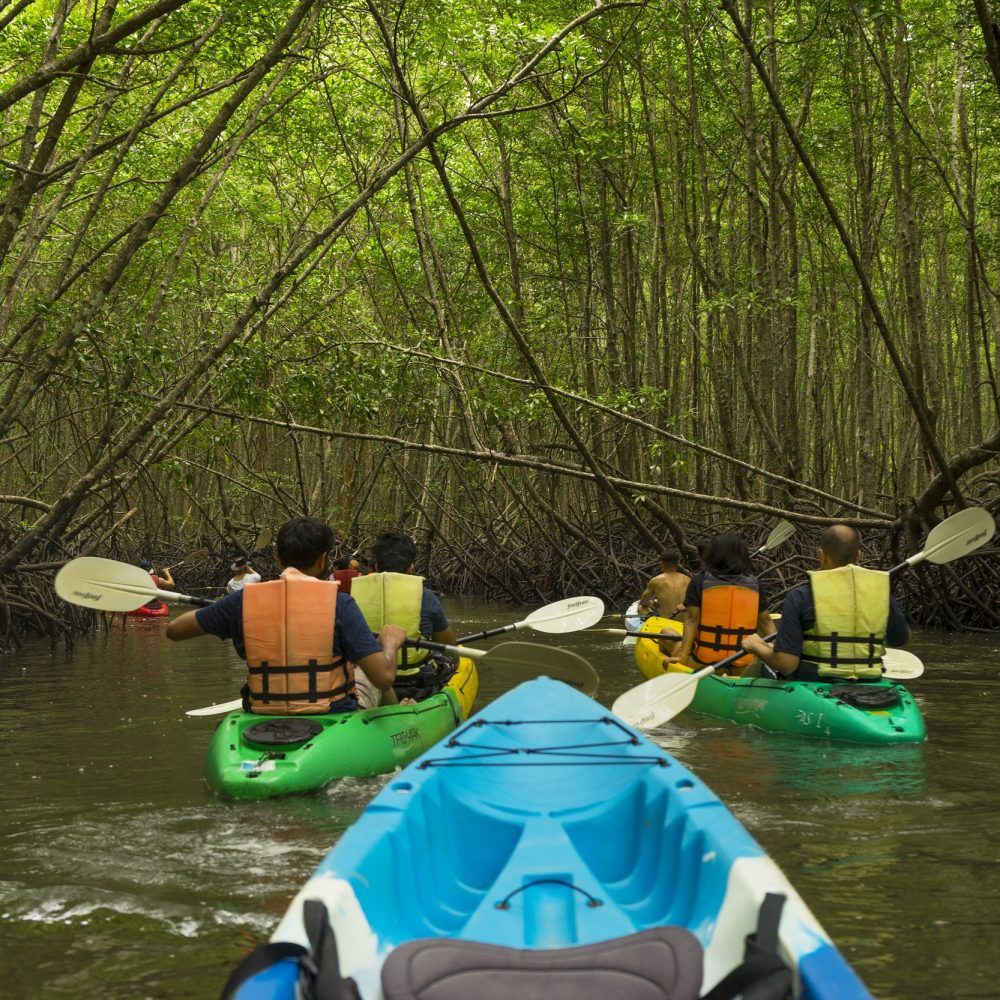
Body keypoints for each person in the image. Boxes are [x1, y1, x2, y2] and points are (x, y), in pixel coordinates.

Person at [165, 517, 406, 713]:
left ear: (278, 558)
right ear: (323, 559)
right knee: (368, 668)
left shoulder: (242, 600)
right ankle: (398, 722)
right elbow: (384, 678)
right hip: (331, 711)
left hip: (262, 711)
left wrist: (222, 611)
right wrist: (390, 643)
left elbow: (174, 630)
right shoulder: (340, 603)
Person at [741, 524, 909, 681]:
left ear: (821, 555)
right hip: (871, 681)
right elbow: (899, 639)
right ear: (859, 555)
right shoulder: (880, 592)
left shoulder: (801, 596)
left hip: (815, 681)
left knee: (762, 664)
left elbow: (786, 664)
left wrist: (756, 645)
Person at [351, 531, 457, 701]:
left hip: (371, 681)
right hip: (416, 684)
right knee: (448, 659)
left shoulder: (350, 599)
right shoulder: (426, 596)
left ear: (376, 567)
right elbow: (449, 645)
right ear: (411, 568)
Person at [666, 533, 775, 675]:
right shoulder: (755, 584)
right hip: (743, 665)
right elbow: (766, 622)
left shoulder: (700, 581)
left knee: (665, 633)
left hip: (703, 663)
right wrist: (777, 656)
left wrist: (682, 656)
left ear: (713, 555)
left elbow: (692, 619)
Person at [637, 549, 691, 618]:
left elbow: (643, 602)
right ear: (678, 563)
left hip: (668, 625)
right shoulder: (688, 580)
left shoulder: (656, 580)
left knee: (641, 607)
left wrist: (653, 603)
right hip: (688, 625)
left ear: (662, 563)